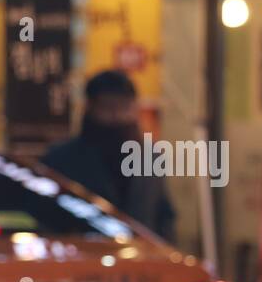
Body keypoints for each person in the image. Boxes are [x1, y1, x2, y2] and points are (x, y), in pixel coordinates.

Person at [42, 69, 176, 241]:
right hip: (86, 258)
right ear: (90, 108)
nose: (117, 116)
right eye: (108, 107)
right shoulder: (61, 158)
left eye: (124, 107)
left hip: (142, 259)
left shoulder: (150, 157)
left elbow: (163, 214)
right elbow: (49, 219)